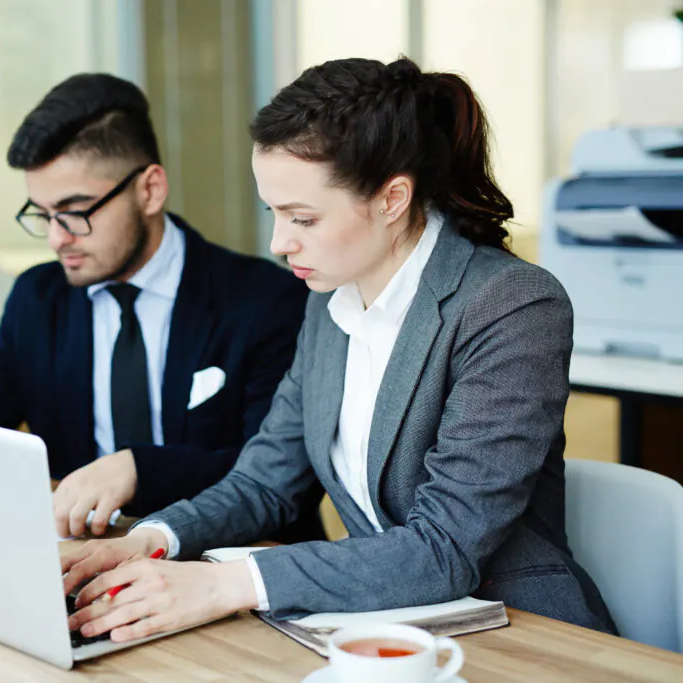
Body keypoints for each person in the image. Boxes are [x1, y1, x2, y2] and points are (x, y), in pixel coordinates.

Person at [60, 57, 617, 643]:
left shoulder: (511, 305)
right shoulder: (329, 299)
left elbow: (444, 548)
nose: (279, 242)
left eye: (303, 217)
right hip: (382, 623)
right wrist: (152, 539)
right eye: (273, 212)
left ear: (392, 198)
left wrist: (226, 584)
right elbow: (265, 481)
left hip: (524, 633)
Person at [0, 73, 322, 541]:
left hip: (233, 558)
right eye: (43, 214)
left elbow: (278, 473)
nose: (57, 238)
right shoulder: (40, 297)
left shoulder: (266, 301)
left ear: (150, 189)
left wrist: (138, 470)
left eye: (75, 212)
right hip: (87, 553)